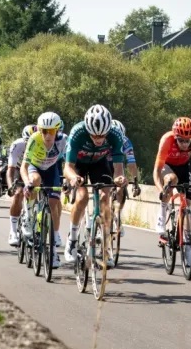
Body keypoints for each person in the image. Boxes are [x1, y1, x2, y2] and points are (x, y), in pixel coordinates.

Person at [63, 104, 127, 264]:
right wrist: (72, 178)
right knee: (83, 197)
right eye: (94, 136)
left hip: (99, 163)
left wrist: (119, 179)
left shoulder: (115, 134)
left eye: (102, 136)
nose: (98, 139)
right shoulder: (77, 133)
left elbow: (119, 169)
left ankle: (106, 247)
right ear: (88, 130)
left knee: (106, 196)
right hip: (79, 164)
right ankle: (72, 238)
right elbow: (67, 167)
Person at [154, 117, 191, 244]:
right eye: (181, 140)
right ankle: (162, 218)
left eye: (188, 141)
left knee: (188, 202)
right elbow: (157, 170)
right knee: (172, 180)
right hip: (167, 166)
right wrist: (160, 189)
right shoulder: (167, 139)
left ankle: (186, 241)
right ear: (175, 137)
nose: (185, 144)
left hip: (184, 167)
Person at [20, 113, 68, 268]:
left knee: (54, 204)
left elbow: (69, 164)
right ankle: (28, 216)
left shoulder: (63, 140)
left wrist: (68, 180)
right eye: (44, 131)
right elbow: (24, 167)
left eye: (51, 131)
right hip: (36, 167)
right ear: (39, 130)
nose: (47, 135)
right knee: (35, 181)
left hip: (52, 168)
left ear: (57, 130)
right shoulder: (34, 139)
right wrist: (27, 183)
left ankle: (53, 252)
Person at [109, 119, 141, 237]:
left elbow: (131, 162)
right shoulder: (105, 139)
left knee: (121, 186)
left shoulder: (126, 142)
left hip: (118, 164)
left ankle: (117, 215)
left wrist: (135, 180)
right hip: (104, 164)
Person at [6, 124, 36, 246]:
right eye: (28, 142)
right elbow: (10, 169)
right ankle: (13, 231)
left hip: (34, 169)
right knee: (18, 194)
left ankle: (35, 227)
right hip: (19, 169)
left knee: (38, 193)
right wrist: (10, 187)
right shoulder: (17, 145)